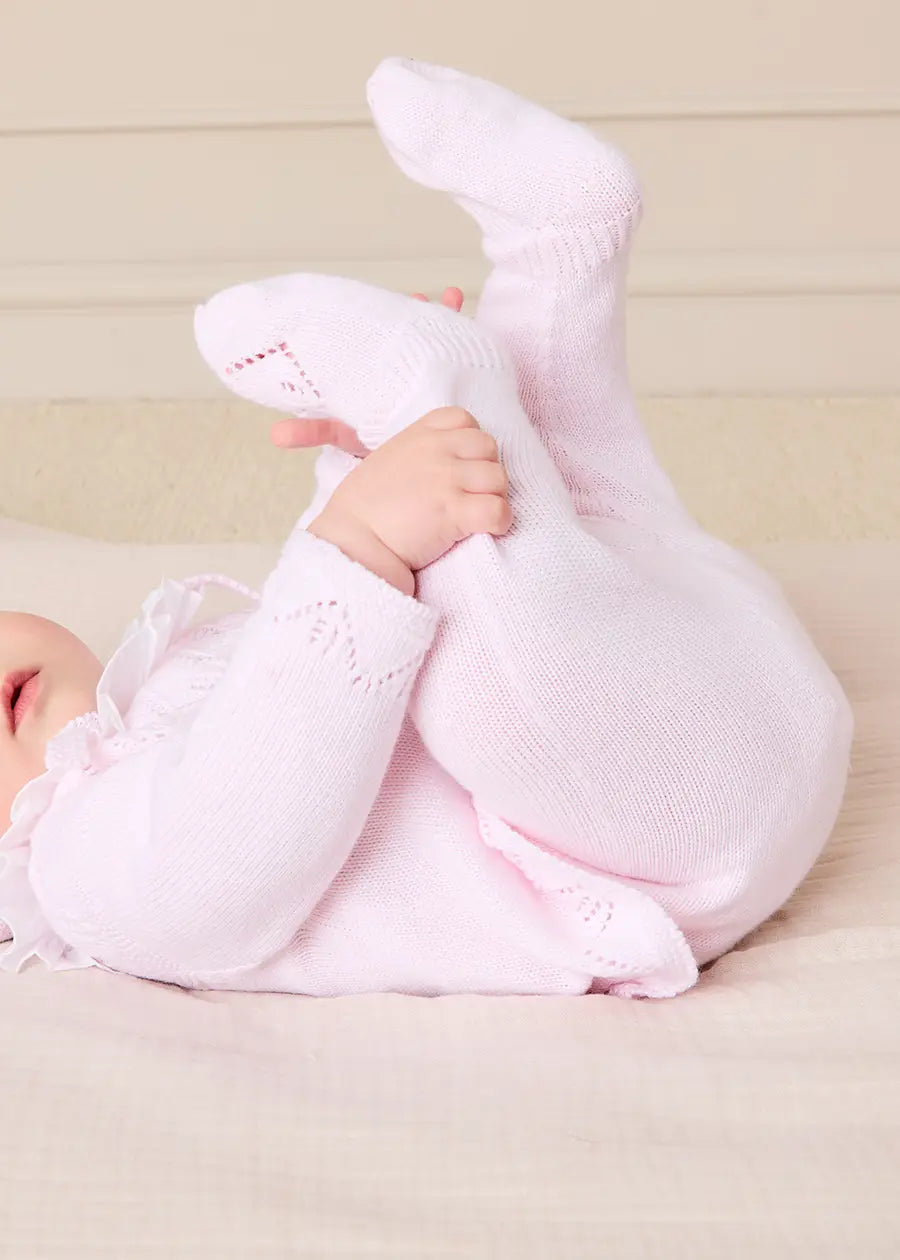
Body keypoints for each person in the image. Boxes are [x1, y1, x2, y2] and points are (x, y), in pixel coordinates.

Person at [0, 59, 852, 998]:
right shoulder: (77, 873)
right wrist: (359, 539)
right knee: (478, 642)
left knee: (570, 500)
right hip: (649, 835)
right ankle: (433, 372)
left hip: (709, 673)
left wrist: (379, 472)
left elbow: (329, 663)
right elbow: (230, 846)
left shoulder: (165, 676)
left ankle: (560, 253)